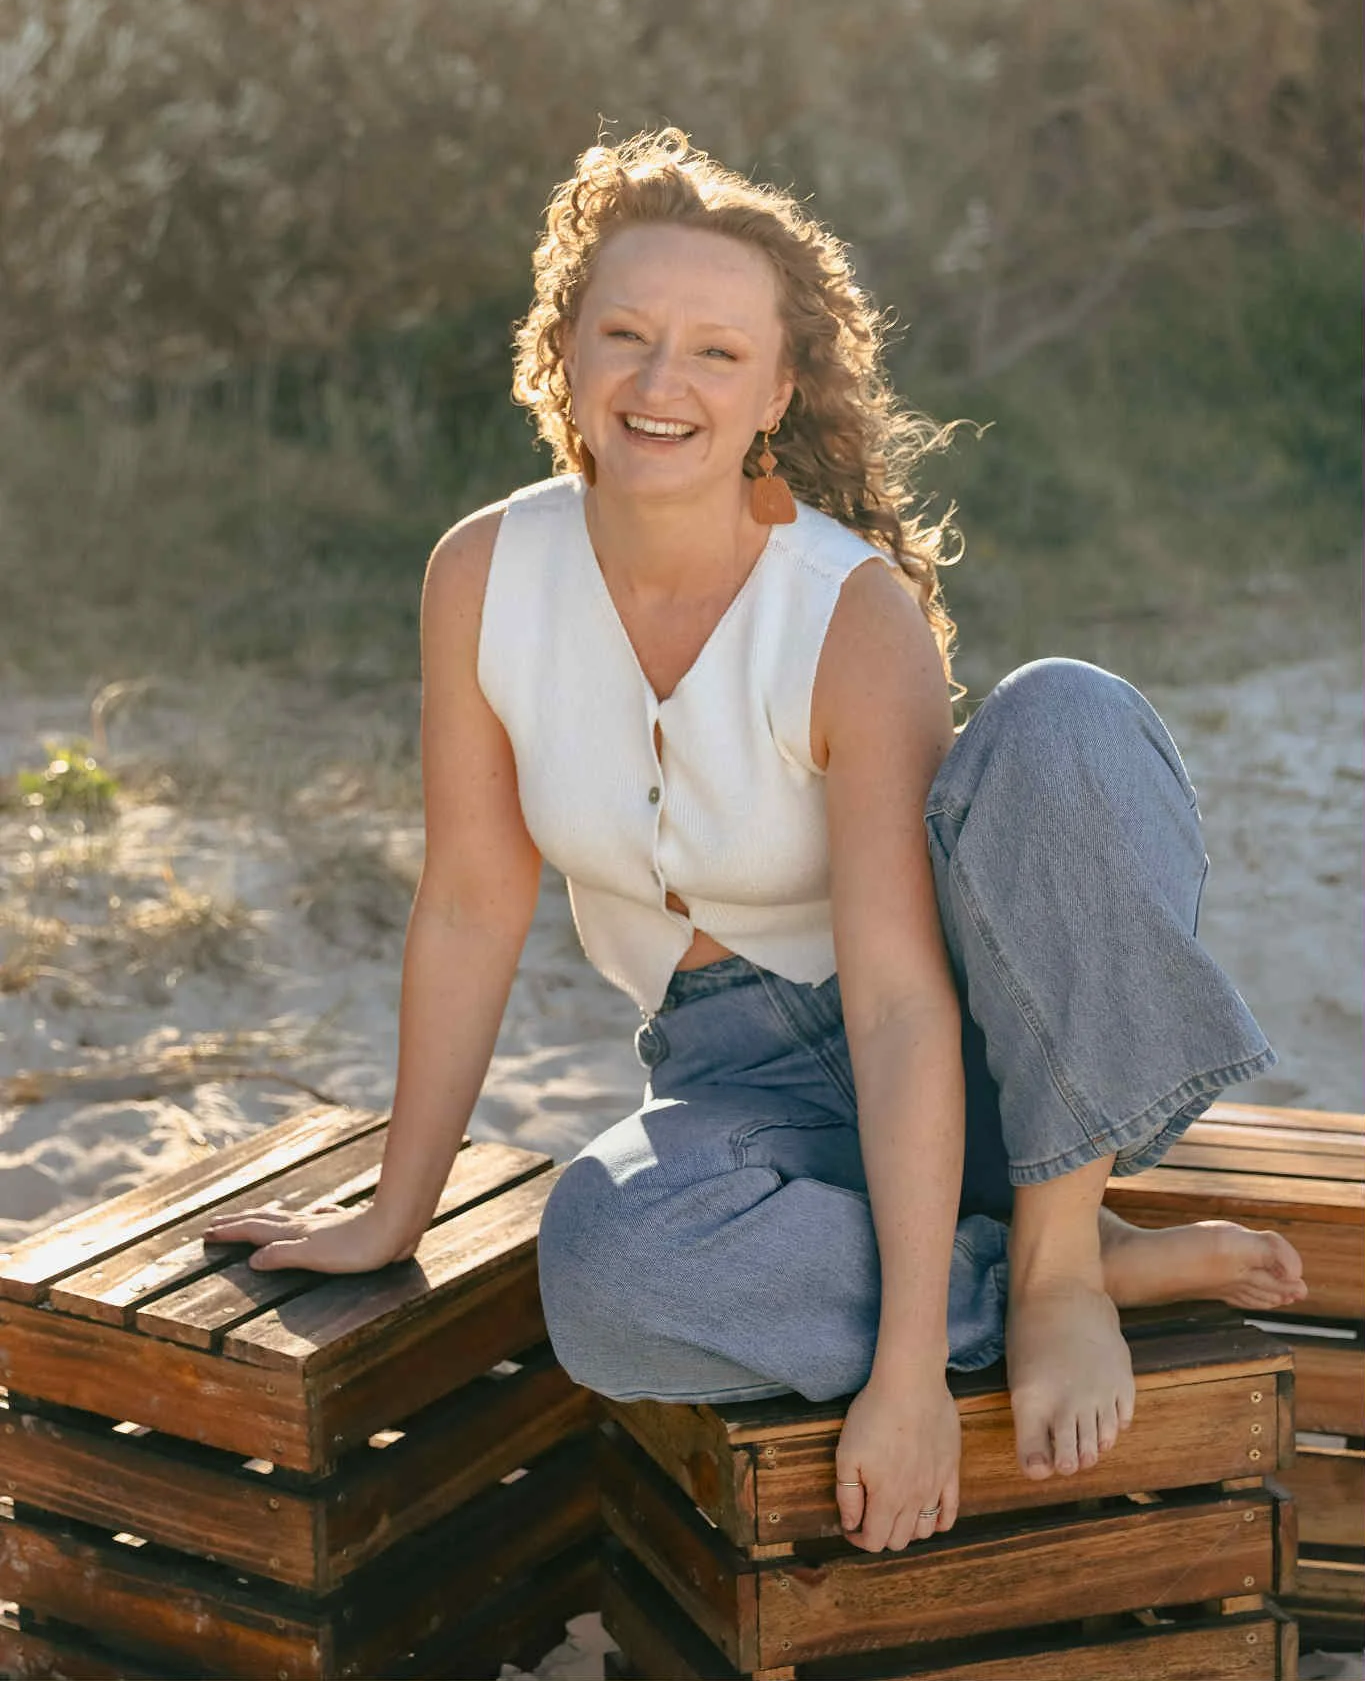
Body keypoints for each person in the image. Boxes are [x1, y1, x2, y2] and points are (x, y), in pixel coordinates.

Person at [203, 128, 1305, 1557]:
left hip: (975, 1050)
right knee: (602, 1261)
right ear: (566, 350)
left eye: (717, 353)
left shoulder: (846, 611)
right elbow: (473, 904)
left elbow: (907, 999)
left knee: (1067, 714)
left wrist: (908, 1371)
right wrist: (391, 1212)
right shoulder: (480, 577)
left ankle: (1052, 1265)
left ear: (779, 388)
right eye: (630, 335)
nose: (664, 384)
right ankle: (1068, 1267)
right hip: (738, 1083)